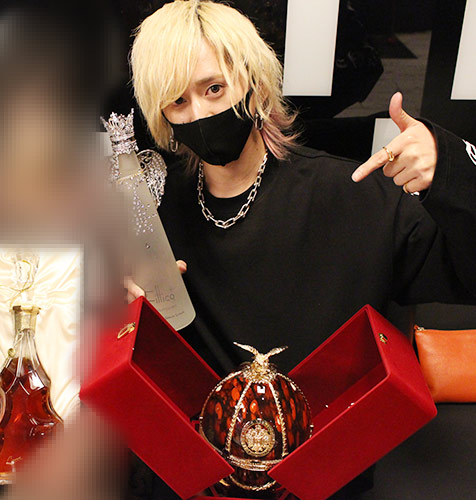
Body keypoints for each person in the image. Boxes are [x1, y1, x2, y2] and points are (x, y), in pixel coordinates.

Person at [126, 0, 476, 498]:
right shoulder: (154, 211)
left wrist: (450, 173)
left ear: (253, 82)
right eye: (177, 101)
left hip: (321, 478)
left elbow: (467, 275)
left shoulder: (355, 198)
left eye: (214, 88)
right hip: (194, 478)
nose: (199, 113)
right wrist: (128, 309)